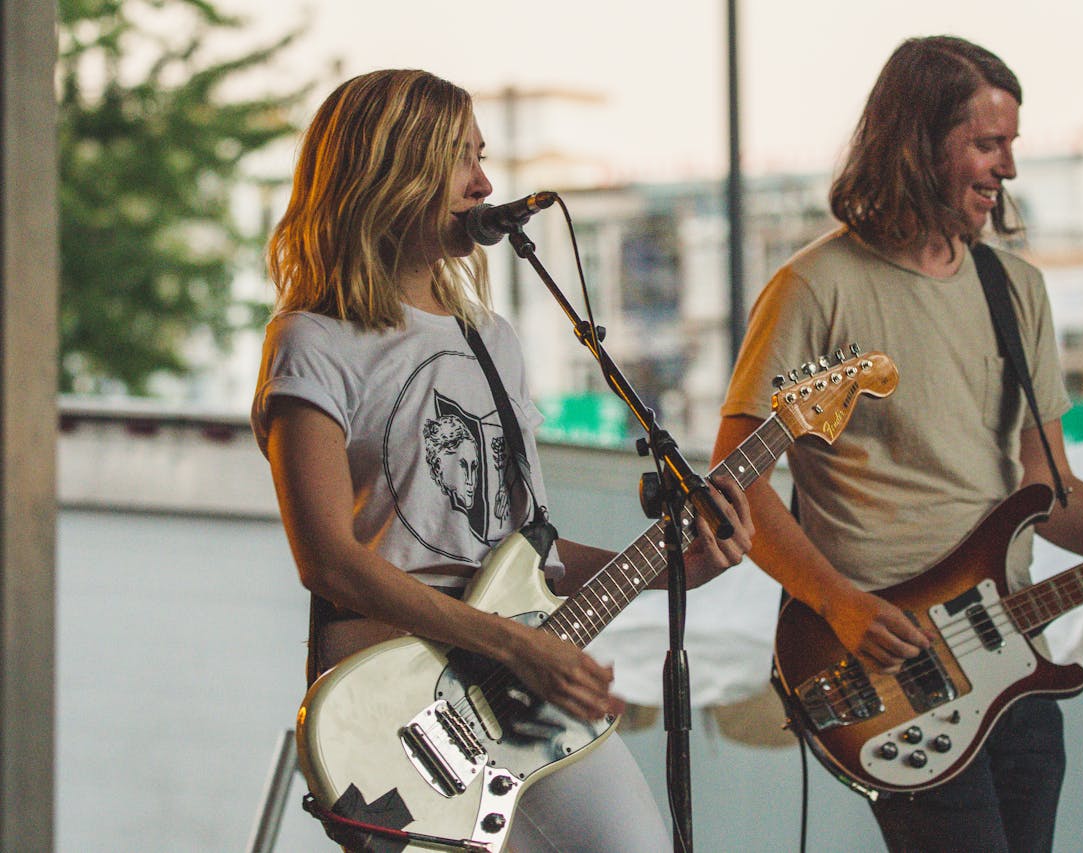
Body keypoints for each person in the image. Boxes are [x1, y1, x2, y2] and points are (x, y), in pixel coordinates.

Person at [713, 36, 1083, 853]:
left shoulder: (1014, 288)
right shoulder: (815, 287)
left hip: (1013, 658)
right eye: (988, 144)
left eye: (1012, 146)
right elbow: (738, 485)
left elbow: (1048, 489)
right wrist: (840, 604)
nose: (1008, 169)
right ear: (919, 143)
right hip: (892, 669)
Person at [251, 69, 753, 852]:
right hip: (399, 704)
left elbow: (527, 557)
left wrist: (680, 564)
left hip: (518, 684)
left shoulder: (493, 337)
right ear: (388, 170)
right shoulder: (313, 340)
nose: (485, 184)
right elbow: (330, 563)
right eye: (459, 158)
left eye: (482, 156)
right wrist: (517, 644)